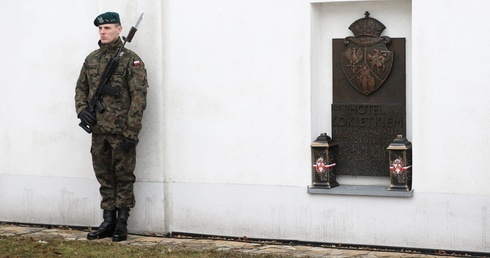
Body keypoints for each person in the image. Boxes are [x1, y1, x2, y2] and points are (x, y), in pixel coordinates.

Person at [74, 11, 148, 242]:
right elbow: (81, 90)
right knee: (105, 176)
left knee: (124, 176)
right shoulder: (91, 59)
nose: (103, 32)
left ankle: (122, 224)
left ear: (119, 29)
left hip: (122, 131)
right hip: (99, 130)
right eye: (100, 29)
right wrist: (82, 110)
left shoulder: (130, 59)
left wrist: (131, 131)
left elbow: (139, 97)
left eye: (108, 28)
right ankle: (108, 221)